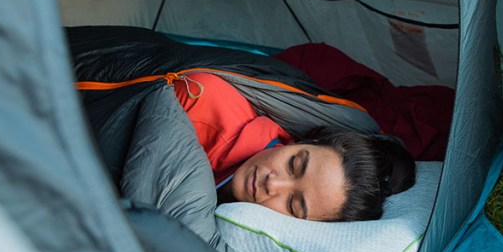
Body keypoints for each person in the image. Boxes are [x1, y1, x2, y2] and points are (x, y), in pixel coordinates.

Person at [174, 72, 415, 222]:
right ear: (302, 141)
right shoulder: (203, 106)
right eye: (293, 163)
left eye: (293, 204)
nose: (272, 184)